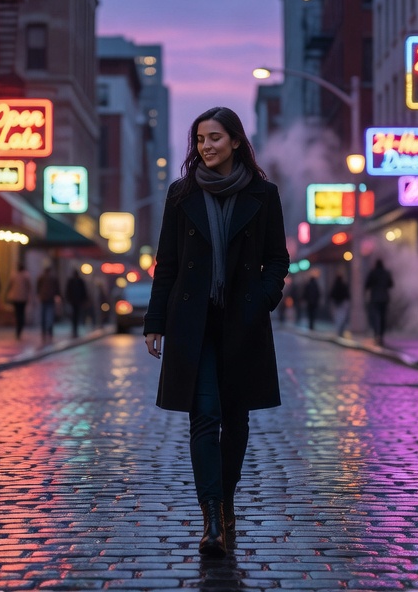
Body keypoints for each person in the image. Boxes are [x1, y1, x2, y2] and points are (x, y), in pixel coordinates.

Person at [143, 106, 289, 558]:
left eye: (215, 138)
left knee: (237, 420)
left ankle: (226, 499)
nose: (206, 146)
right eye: (200, 139)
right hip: (194, 324)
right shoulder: (181, 194)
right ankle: (212, 517)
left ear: (236, 142)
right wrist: (155, 321)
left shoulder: (263, 194)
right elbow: (166, 263)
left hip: (242, 323)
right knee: (204, 415)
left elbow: (277, 258)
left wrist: (263, 297)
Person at [364, 258, 394, 344]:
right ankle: (381, 334)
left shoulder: (373, 273)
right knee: (383, 317)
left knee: (376, 317)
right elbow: (391, 284)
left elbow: (367, 285)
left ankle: (377, 333)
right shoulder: (386, 273)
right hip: (384, 298)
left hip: (375, 298)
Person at [6, 263, 31, 340]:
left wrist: (7, 294)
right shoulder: (26, 275)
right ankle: (20, 329)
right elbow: (29, 287)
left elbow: (9, 285)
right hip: (23, 298)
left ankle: (18, 330)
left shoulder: (13, 275)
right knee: (21, 314)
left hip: (15, 298)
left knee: (17, 314)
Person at [36, 265, 60, 341]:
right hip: (50, 298)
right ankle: (50, 330)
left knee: (43, 315)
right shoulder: (53, 278)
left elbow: (38, 288)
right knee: (50, 315)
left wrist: (39, 295)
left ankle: (44, 330)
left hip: (43, 298)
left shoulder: (41, 277)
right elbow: (57, 288)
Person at [65, 270, 88, 338]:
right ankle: (74, 330)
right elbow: (68, 291)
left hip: (77, 301)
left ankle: (75, 330)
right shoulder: (72, 281)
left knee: (76, 315)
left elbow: (84, 291)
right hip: (73, 301)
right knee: (74, 316)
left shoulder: (79, 281)